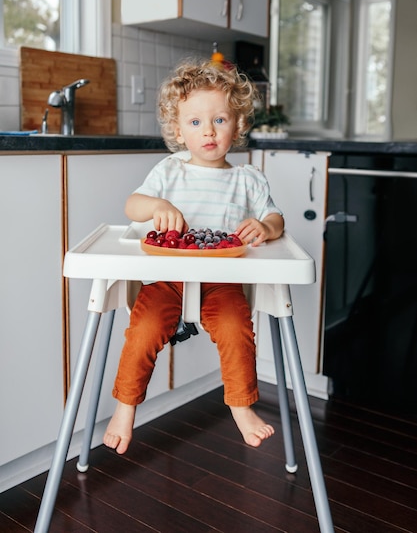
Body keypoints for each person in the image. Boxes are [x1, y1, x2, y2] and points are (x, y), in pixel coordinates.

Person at [104, 58, 285, 455]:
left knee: (238, 331)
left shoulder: (248, 179)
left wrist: (267, 227)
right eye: (195, 122)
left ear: (237, 126)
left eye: (220, 120)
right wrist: (157, 206)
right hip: (167, 280)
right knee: (143, 331)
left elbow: (275, 218)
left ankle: (240, 407)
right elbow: (131, 205)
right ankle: (124, 408)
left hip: (222, 284)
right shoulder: (169, 172)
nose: (208, 131)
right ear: (178, 130)